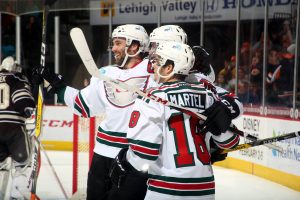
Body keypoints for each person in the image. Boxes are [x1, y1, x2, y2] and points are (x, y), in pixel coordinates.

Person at [109, 41, 240, 200]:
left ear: (169, 68)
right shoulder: (209, 96)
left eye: (157, 61)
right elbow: (231, 142)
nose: (153, 66)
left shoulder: (151, 99)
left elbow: (145, 153)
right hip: (204, 190)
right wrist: (213, 146)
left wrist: (126, 160)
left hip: (165, 190)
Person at [36, 24, 154, 200]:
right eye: (113, 43)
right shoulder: (106, 73)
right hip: (102, 155)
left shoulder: (154, 73)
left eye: (118, 43)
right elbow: (84, 105)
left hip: (135, 158)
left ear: (134, 46)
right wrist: (56, 85)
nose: (113, 48)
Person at [0, 56, 36, 199]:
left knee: (1, 167)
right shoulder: (16, 78)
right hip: (14, 128)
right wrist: (31, 113)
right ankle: (17, 196)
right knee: (22, 164)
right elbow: (23, 101)